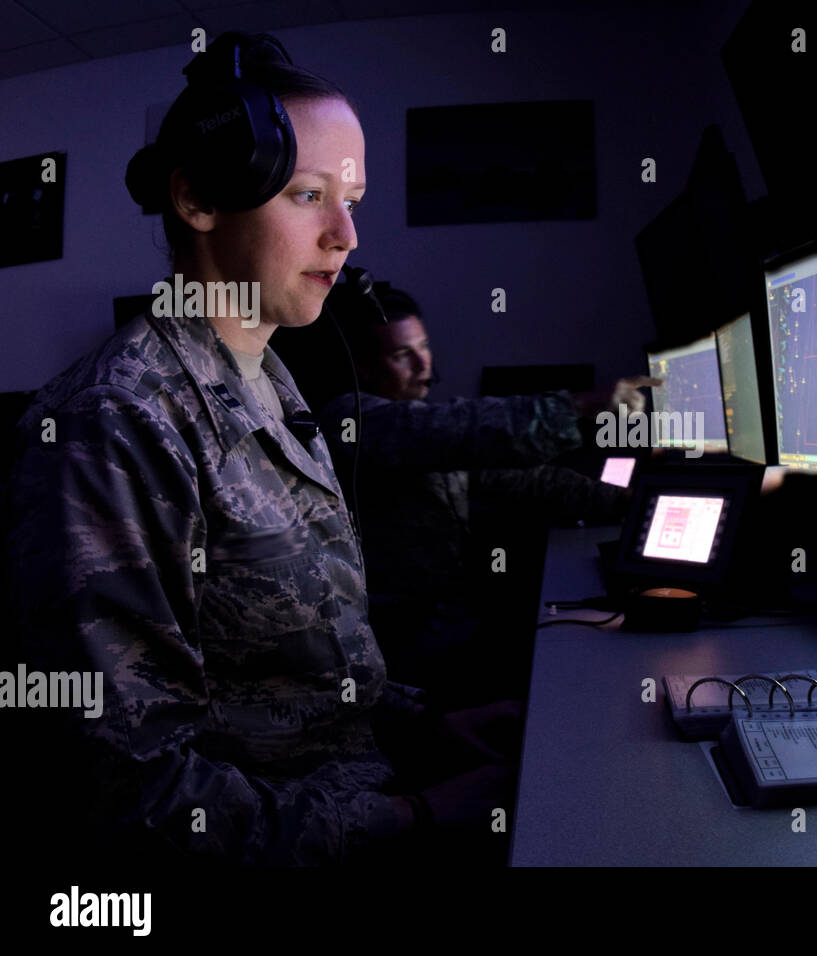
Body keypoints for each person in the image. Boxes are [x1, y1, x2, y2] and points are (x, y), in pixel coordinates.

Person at [4, 32, 508, 867]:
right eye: (310, 195)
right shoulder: (115, 424)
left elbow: (287, 667)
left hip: (368, 782)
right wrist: (419, 816)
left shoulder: (267, 378)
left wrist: (425, 723)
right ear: (198, 200)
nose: (346, 236)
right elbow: (133, 792)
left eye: (354, 199)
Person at [313, 280, 648, 701]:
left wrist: (620, 500)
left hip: (446, 618)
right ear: (362, 367)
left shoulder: (413, 421)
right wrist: (578, 406)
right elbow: (456, 432)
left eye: (424, 347)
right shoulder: (351, 421)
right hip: (400, 640)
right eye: (403, 355)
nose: (424, 366)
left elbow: (519, 477)